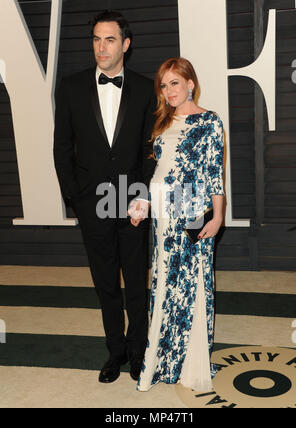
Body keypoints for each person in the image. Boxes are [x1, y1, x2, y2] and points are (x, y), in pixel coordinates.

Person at [53, 10, 156, 384]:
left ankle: (138, 352)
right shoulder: (71, 86)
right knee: (105, 283)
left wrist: (142, 197)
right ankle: (115, 352)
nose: (101, 47)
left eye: (109, 39)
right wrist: (75, 199)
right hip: (92, 202)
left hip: (132, 202)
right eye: (96, 39)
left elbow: (150, 150)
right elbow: (62, 147)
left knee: (135, 280)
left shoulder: (147, 89)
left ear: (125, 45)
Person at [133, 57, 225, 392]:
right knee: (162, 286)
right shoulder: (160, 121)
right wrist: (141, 202)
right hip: (161, 216)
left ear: (190, 83)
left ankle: (191, 361)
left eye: (175, 82)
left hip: (193, 214)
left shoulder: (209, 122)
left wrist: (218, 216)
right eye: (164, 84)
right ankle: (161, 361)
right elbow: (155, 170)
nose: (169, 90)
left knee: (192, 285)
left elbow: (214, 174)